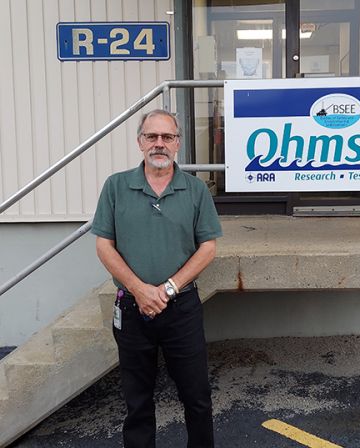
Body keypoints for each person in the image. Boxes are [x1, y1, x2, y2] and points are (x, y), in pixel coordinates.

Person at [91, 109, 222, 448]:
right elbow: (104, 245)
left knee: (197, 398)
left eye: (167, 137)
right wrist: (139, 289)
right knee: (137, 403)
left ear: (178, 143)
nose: (159, 144)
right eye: (152, 137)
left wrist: (167, 288)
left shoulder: (195, 190)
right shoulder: (116, 187)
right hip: (133, 311)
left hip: (182, 309)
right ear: (140, 142)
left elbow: (208, 247)